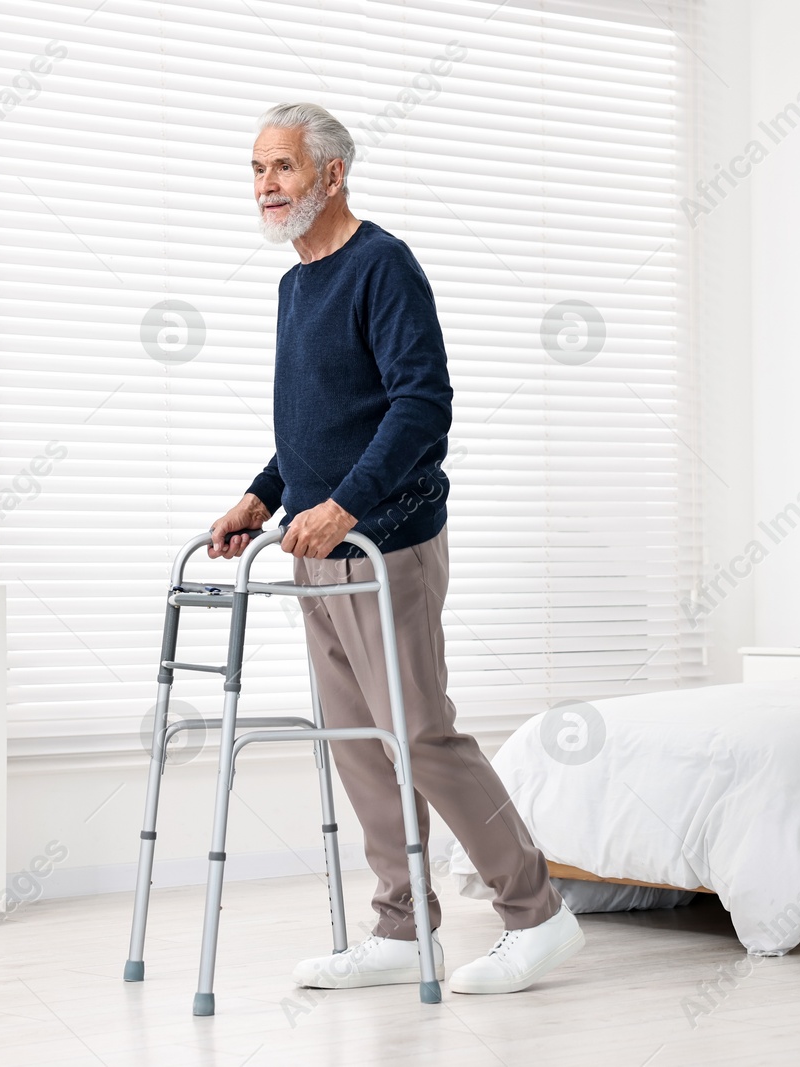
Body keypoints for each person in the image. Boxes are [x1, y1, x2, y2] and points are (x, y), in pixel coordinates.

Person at [207, 102, 584, 995]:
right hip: (315, 547)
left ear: (331, 175)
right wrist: (264, 495)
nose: (266, 187)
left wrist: (345, 506)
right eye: (257, 170)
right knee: (357, 741)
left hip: (389, 545)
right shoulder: (295, 283)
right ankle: (402, 927)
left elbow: (422, 406)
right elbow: (315, 425)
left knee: (418, 733)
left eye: (283, 168)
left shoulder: (382, 266)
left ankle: (538, 914)